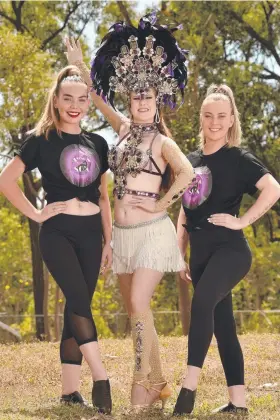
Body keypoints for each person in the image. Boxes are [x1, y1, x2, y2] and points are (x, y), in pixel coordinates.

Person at [65, 12, 194, 409]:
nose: (140, 100)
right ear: (131, 100)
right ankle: (157, 383)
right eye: (136, 95)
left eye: (147, 96)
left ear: (157, 102)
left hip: (153, 233)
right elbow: (99, 98)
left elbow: (188, 172)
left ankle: (143, 384)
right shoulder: (121, 129)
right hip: (122, 238)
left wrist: (160, 201)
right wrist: (83, 67)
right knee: (135, 311)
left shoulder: (160, 141)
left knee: (139, 304)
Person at [0, 66, 113, 414]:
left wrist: (109, 241)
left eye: (82, 99)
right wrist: (35, 215)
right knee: (79, 301)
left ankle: (68, 392)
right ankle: (101, 377)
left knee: (75, 312)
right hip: (58, 232)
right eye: (68, 98)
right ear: (57, 100)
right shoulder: (41, 140)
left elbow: (104, 196)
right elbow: (6, 180)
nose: (75, 105)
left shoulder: (98, 143)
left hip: (93, 234)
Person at [173, 84, 280, 416]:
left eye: (221, 116)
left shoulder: (238, 159)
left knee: (203, 302)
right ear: (201, 118)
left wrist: (243, 220)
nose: (214, 122)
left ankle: (188, 389)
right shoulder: (189, 161)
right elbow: (184, 210)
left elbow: (273, 189)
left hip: (231, 251)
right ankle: (238, 402)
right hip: (201, 255)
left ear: (231, 119)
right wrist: (179, 252)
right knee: (223, 327)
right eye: (208, 115)